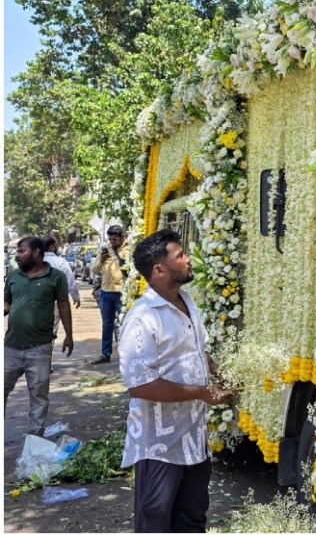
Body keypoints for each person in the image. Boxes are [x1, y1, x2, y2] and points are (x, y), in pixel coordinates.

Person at [118, 228, 233, 532]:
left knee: (192, 516)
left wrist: (223, 374)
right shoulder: (142, 318)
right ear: (159, 269)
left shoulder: (187, 301)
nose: (188, 259)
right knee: (156, 518)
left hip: (194, 437)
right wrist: (202, 392)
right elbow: (140, 385)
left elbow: (198, 349)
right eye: (180, 255)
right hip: (159, 444)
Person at [4, 237, 74, 436]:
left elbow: (63, 305)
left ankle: (35, 437)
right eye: (17, 251)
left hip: (40, 348)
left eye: (21, 251)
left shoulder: (56, 277)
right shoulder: (14, 276)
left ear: (36, 252)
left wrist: (69, 336)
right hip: (10, 347)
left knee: (39, 396)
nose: (17, 255)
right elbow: (7, 304)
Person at [90, 225, 131, 364]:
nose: (112, 241)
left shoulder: (130, 249)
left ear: (122, 237)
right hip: (106, 292)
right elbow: (94, 270)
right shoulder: (104, 250)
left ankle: (126, 354)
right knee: (107, 324)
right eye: (110, 239)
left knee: (124, 324)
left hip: (122, 293)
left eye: (114, 239)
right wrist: (101, 260)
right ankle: (105, 353)